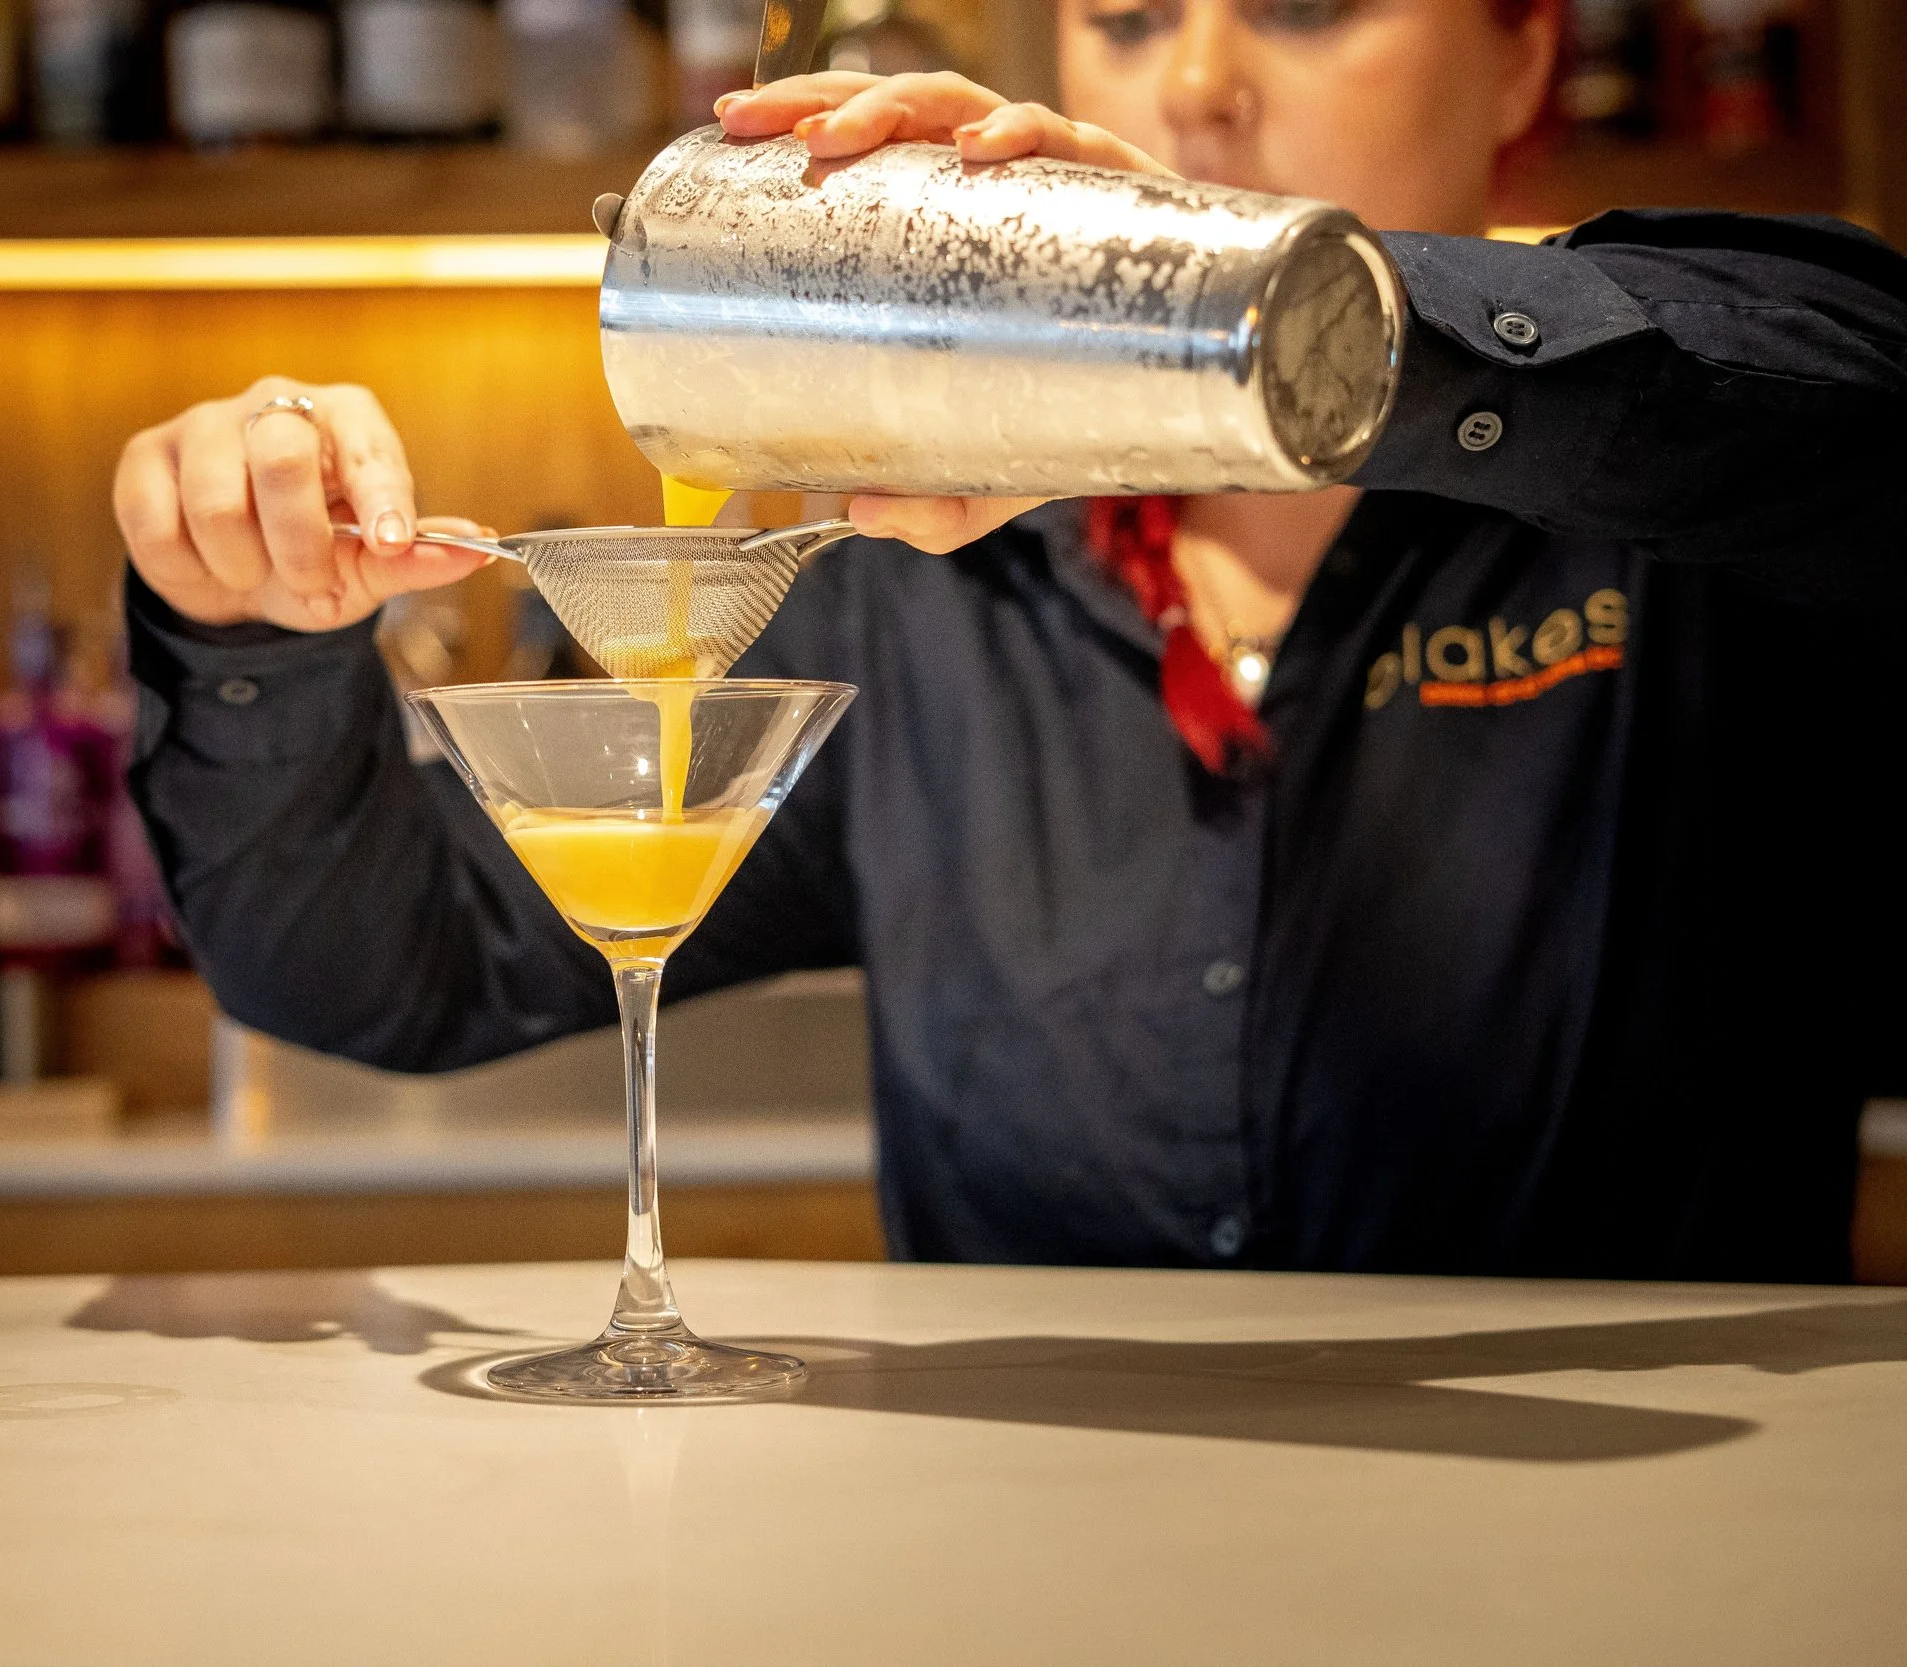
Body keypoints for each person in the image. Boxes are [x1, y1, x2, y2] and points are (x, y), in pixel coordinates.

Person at [112, 0, 1907, 1282]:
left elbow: (1854, 385)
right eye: (1124, 22)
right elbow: (386, 964)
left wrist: (1288, 327)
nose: (1199, 82)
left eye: (1302, 9)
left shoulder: (1691, 511)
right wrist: (240, 620)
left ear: (1524, 50)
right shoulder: (929, 572)